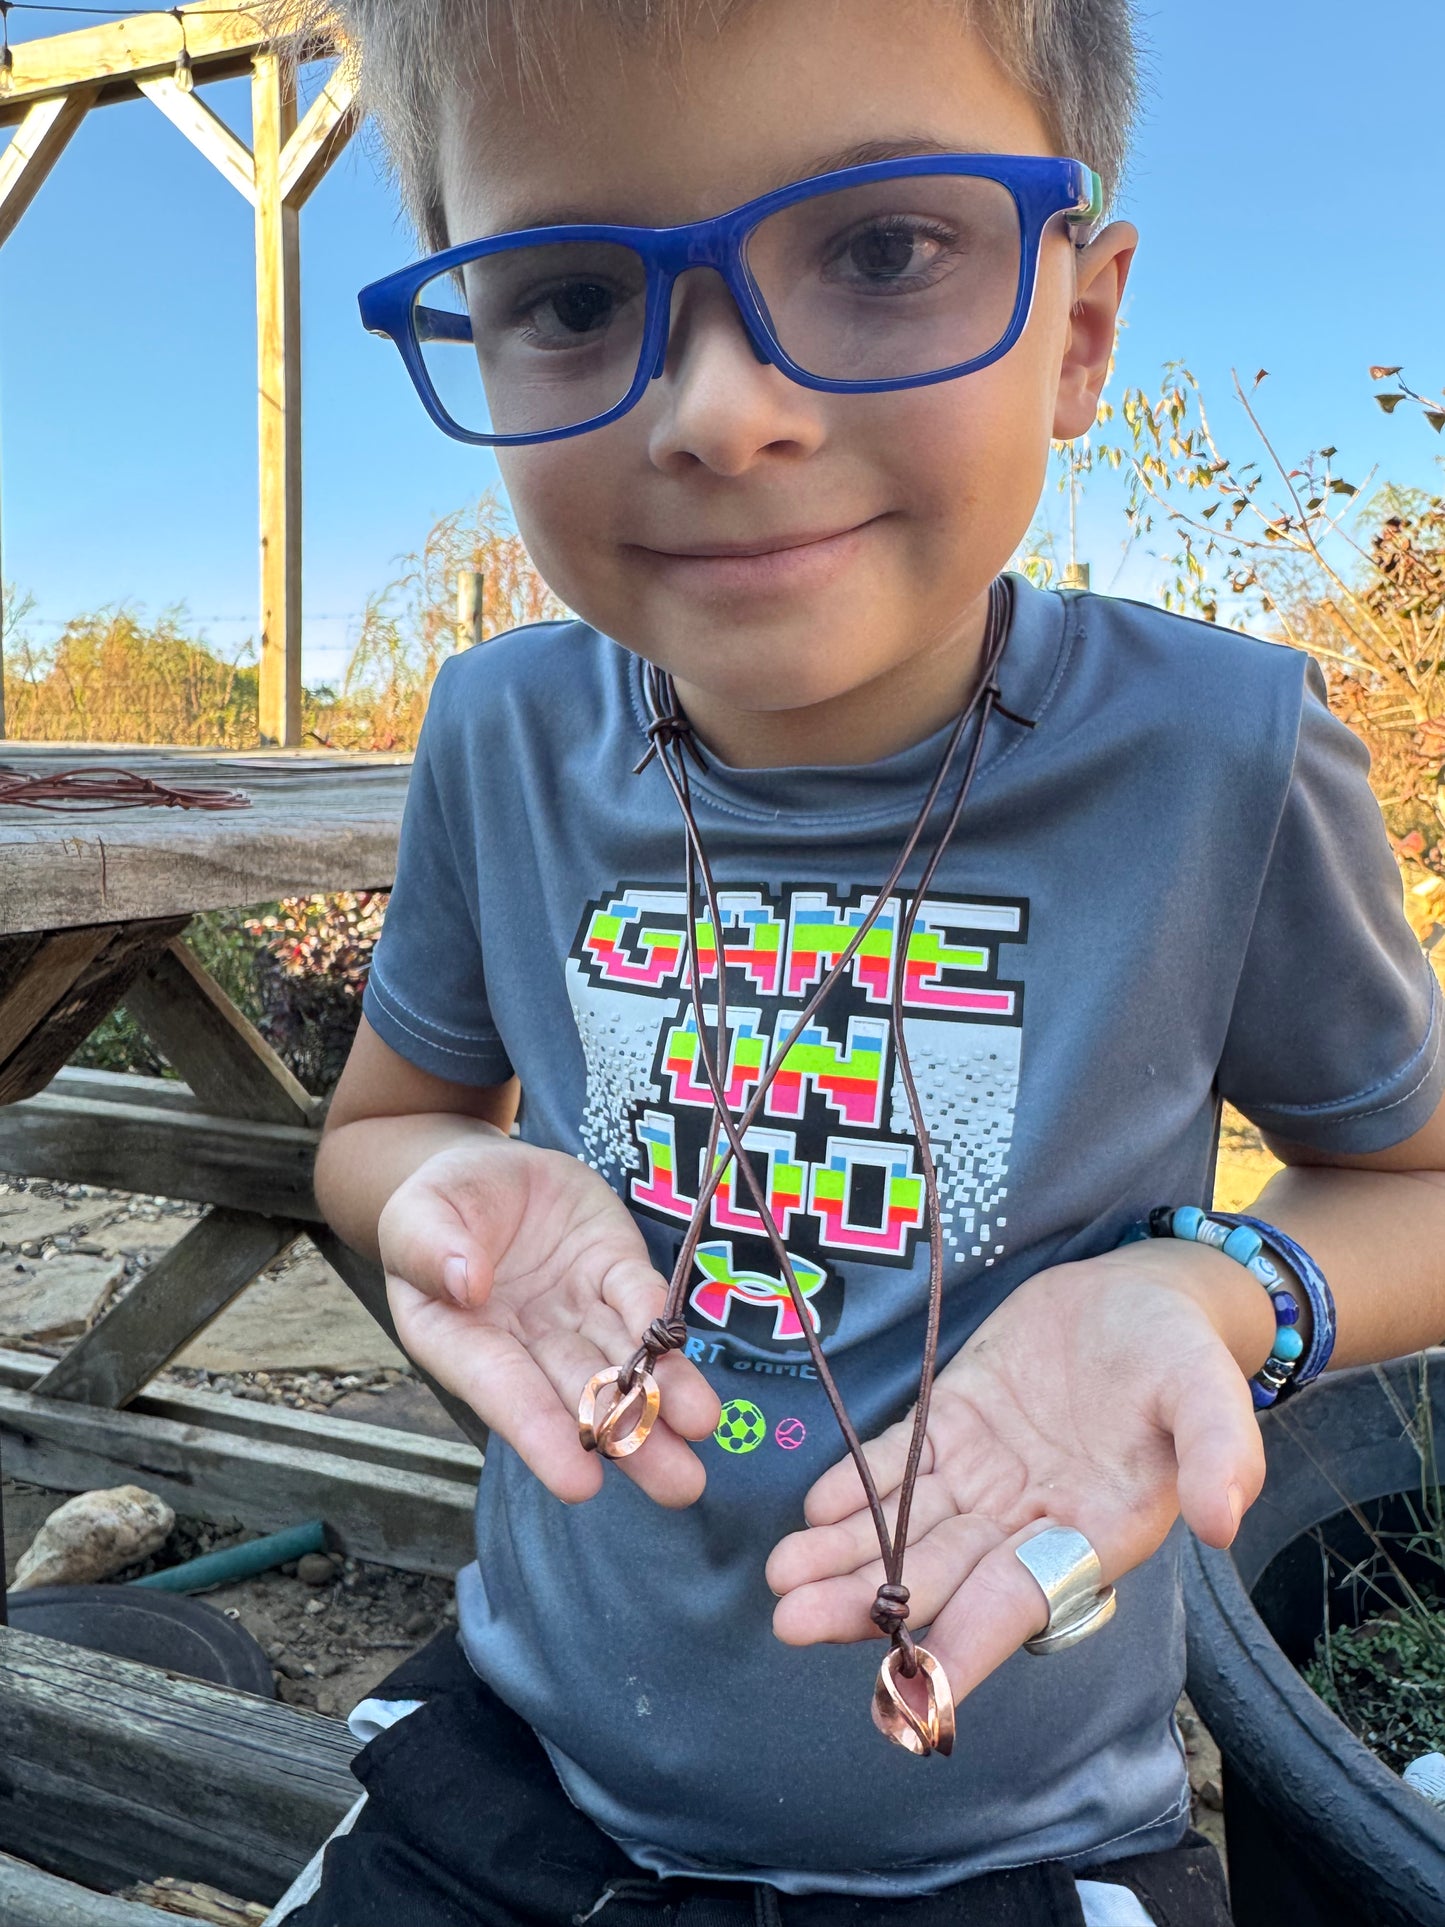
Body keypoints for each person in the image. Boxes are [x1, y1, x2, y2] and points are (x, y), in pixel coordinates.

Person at [265, 3, 1445, 1923]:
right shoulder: (497, 733)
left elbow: (1421, 1182)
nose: (721, 408)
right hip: (520, 1774)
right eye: (571, 295)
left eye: (882, 251)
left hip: (1011, 1842)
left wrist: (1213, 1294)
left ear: (1076, 326)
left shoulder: (1223, 757)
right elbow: (376, 1133)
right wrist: (444, 1194)